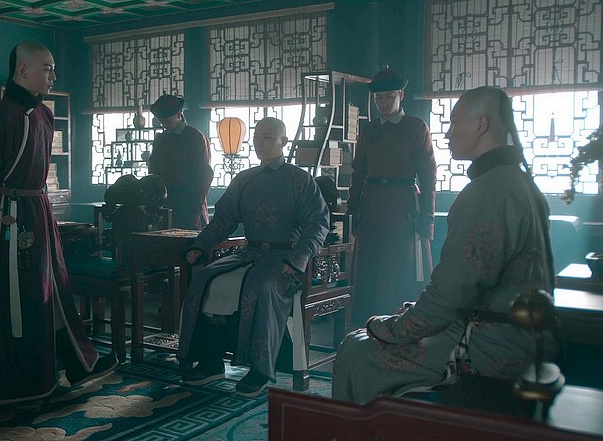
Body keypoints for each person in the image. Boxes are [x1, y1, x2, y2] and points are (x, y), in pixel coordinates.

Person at [332, 86, 555, 405]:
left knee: (357, 348)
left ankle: (359, 428)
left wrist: (393, 328)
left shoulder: (488, 191)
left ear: (481, 124)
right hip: (520, 335)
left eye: (453, 122)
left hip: (491, 343)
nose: (447, 134)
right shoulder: (517, 181)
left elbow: (452, 293)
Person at [0, 41, 116, 406]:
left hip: (40, 211)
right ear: (22, 70)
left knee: (53, 291)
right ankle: (15, 382)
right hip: (9, 218)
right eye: (46, 68)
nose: (53, 75)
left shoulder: (44, 115)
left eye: (53, 68)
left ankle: (76, 363)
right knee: (20, 299)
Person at [178, 117, 330, 397]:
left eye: (267, 137)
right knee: (205, 280)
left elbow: (318, 223)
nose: (259, 143)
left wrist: (300, 258)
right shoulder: (244, 179)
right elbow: (224, 220)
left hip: (286, 259)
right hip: (250, 253)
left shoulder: (300, 180)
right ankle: (211, 362)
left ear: (283, 141)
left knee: (262, 288)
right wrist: (200, 245)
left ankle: (260, 370)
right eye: (257, 137)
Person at [347, 67, 437, 326]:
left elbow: (429, 176)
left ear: (401, 95)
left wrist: (427, 219)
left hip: (403, 206)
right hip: (372, 205)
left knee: (399, 269)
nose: (383, 102)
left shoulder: (416, 127)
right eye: (379, 98)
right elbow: (358, 172)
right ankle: (366, 327)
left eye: (389, 97)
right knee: (368, 269)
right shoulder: (369, 130)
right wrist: (353, 209)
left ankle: (399, 326)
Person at [148, 94, 213, 230]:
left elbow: (203, 176)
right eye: (161, 121)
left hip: (189, 204)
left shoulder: (195, 137)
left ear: (179, 115)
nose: (164, 124)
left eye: (167, 120)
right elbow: (154, 171)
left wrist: (195, 206)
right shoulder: (160, 140)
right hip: (165, 203)